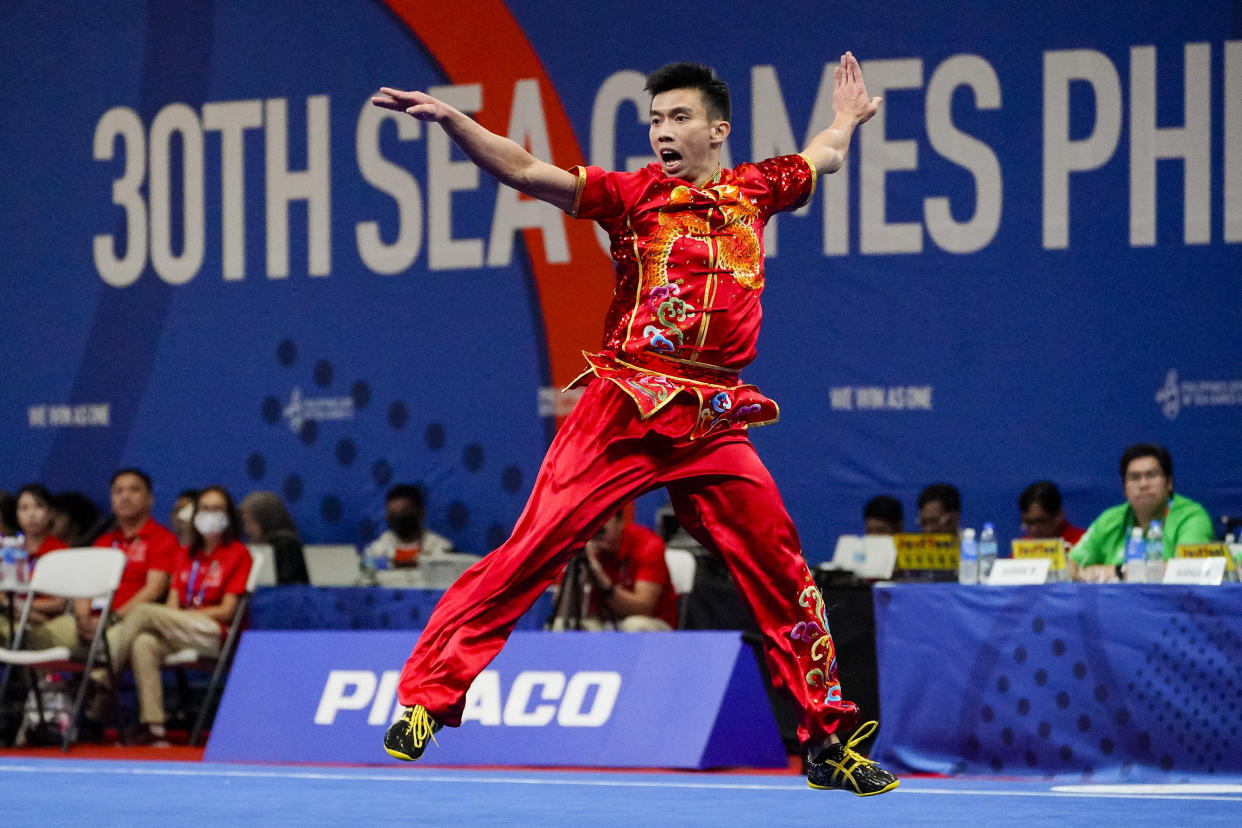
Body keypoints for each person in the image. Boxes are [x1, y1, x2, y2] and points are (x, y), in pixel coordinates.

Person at [371, 53, 898, 795]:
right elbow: (527, 172)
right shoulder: (633, 196)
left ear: (718, 130)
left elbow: (826, 156)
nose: (662, 132)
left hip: (714, 415)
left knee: (784, 571)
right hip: (627, 403)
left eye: (678, 118)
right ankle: (429, 695)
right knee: (536, 546)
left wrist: (845, 120)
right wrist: (459, 123)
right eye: (654, 120)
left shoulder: (758, 190)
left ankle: (828, 741)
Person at [103, 485, 253, 745]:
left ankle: (101, 678)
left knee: (142, 611)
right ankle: (155, 728)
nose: (210, 514)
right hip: (179, 628)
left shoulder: (238, 554)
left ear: (229, 515)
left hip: (215, 633)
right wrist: (179, 617)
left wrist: (189, 614)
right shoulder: (184, 554)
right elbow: (172, 608)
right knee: (143, 643)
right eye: (205, 508)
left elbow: (228, 612)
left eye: (217, 509)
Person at [1069, 444, 1214, 583]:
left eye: (1151, 475)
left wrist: (1119, 571)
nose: (1143, 484)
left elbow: (1188, 569)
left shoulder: (1191, 517)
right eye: (1134, 477)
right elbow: (1070, 564)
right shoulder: (1109, 519)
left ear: (1169, 482)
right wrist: (1076, 571)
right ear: (1124, 488)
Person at [551, 510, 678, 631]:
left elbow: (644, 608)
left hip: (650, 622)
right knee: (562, 625)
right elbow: (561, 609)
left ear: (620, 522)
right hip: (602, 621)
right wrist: (579, 574)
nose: (596, 534)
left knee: (634, 625)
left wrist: (600, 577)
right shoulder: (585, 549)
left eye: (601, 528)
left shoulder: (648, 545)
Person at [0, 484, 69, 647]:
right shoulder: (9, 548)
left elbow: (60, 603)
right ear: (17, 515)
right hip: (10, 615)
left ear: (51, 513)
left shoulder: (60, 552)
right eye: (24, 508)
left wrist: (17, 605)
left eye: (38, 506)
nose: (31, 514)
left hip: (44, 622)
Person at [362, 484, 455, 568]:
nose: (398, 519)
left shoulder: (441, 546)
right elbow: (365, 565)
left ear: (421, 513)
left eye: (404, 513)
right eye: (393, 514)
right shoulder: (378, 548)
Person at [239, 490, 308, 585]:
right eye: (244, 521)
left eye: (252, 521)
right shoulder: (249, 545)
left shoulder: (286, 544)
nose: (247, 528)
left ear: (267, 519)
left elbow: (286, 583)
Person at [1017, 481, 1084, 546]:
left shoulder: (1084, 545)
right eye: (1028, 523)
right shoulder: (1024, 547)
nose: (1033, 530)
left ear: (1059, 515)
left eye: (1040, 522)